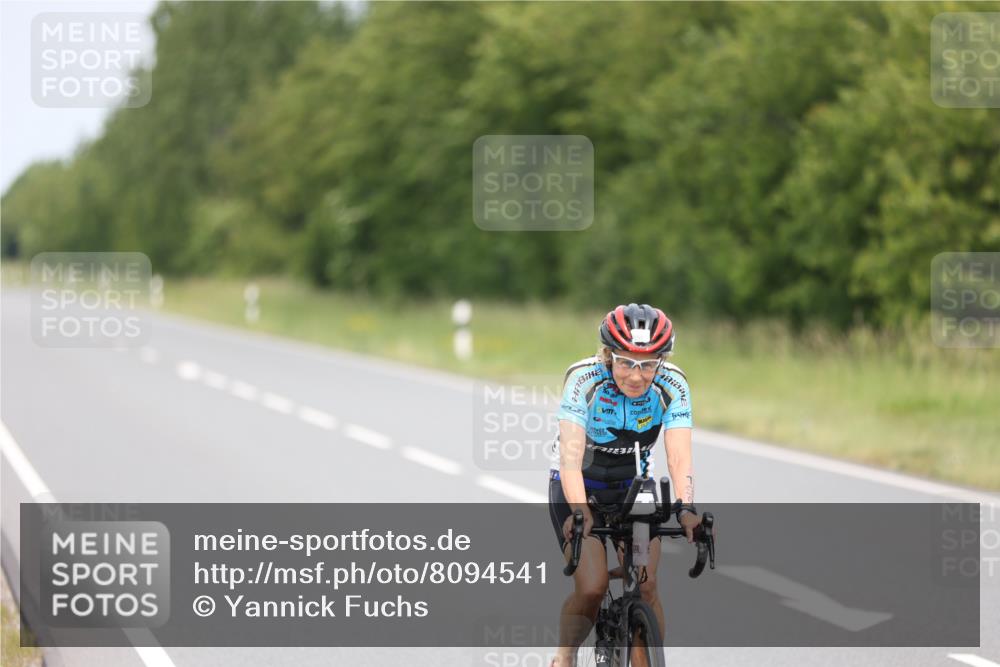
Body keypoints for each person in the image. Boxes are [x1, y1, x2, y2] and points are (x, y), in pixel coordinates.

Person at [547, 303, 700, 667]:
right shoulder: (583, 380)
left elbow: (679, 457)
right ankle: (564, 658)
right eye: (626, 362)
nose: (636, 375)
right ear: (607, 356)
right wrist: (581, 512)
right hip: (577, 484)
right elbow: (570, 459)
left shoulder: (673, 384)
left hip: (632, 485)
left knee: (646, 586)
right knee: (593, 586)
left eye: (648, 364)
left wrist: (686, 509)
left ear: (662, 360)